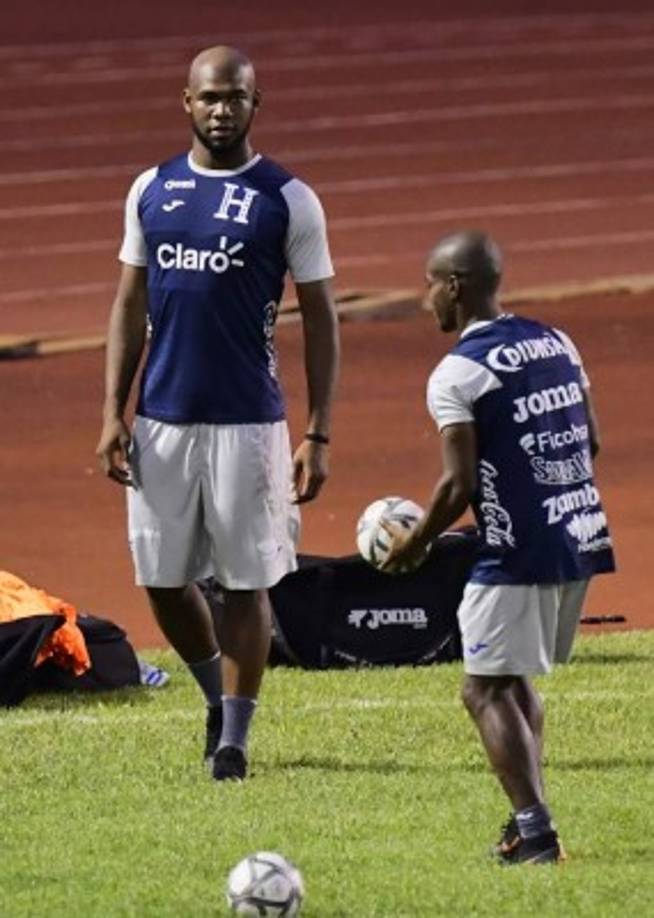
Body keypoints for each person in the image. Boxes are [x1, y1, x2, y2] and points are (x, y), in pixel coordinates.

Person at [95, 46, 339, 782]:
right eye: (209, 97)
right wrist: (113, 410)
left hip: (249, 424)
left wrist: (317, 431)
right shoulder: (151, 189)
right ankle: (213, 698)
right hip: (161, 420)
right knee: (163, 581)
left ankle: (234, 740)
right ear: (187, 102)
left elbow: (322, 319)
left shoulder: (288, 198)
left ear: (256, 104)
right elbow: (130, 303)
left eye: (236, 97)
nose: (222, 109)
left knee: (243, 583)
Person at [382, 230, 614, 864]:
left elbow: (457, 483)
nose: (426, 297)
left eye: (430, 283)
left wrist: (414, 543)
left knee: (481, 690)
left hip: (514, 550)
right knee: (508, 679)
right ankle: (525, 826)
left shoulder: (457, 371)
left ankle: (536, 833)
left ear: (455, 286)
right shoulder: (555, 341)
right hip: (578, 533)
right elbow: (587, 441)